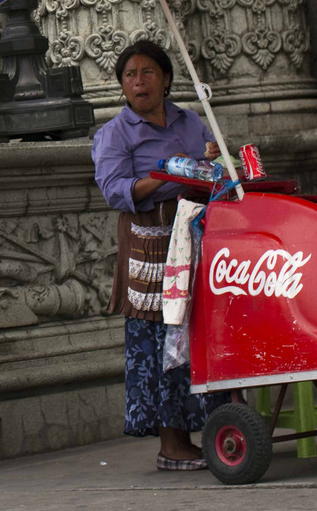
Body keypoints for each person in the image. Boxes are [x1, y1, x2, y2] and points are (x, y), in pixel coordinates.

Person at [91, 39, 223, 471]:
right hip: (151, 243)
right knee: (160, 341)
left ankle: (214, 428)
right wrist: (165, 173)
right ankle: (172, 442)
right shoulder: (114, 134)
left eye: (148, 73)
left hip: (196, 231)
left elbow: (211, 164)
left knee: (200, 330)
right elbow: (116, 191)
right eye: (130, 76)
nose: (139, 82)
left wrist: (210, 159)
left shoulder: (190, 121)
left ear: (166, 79)